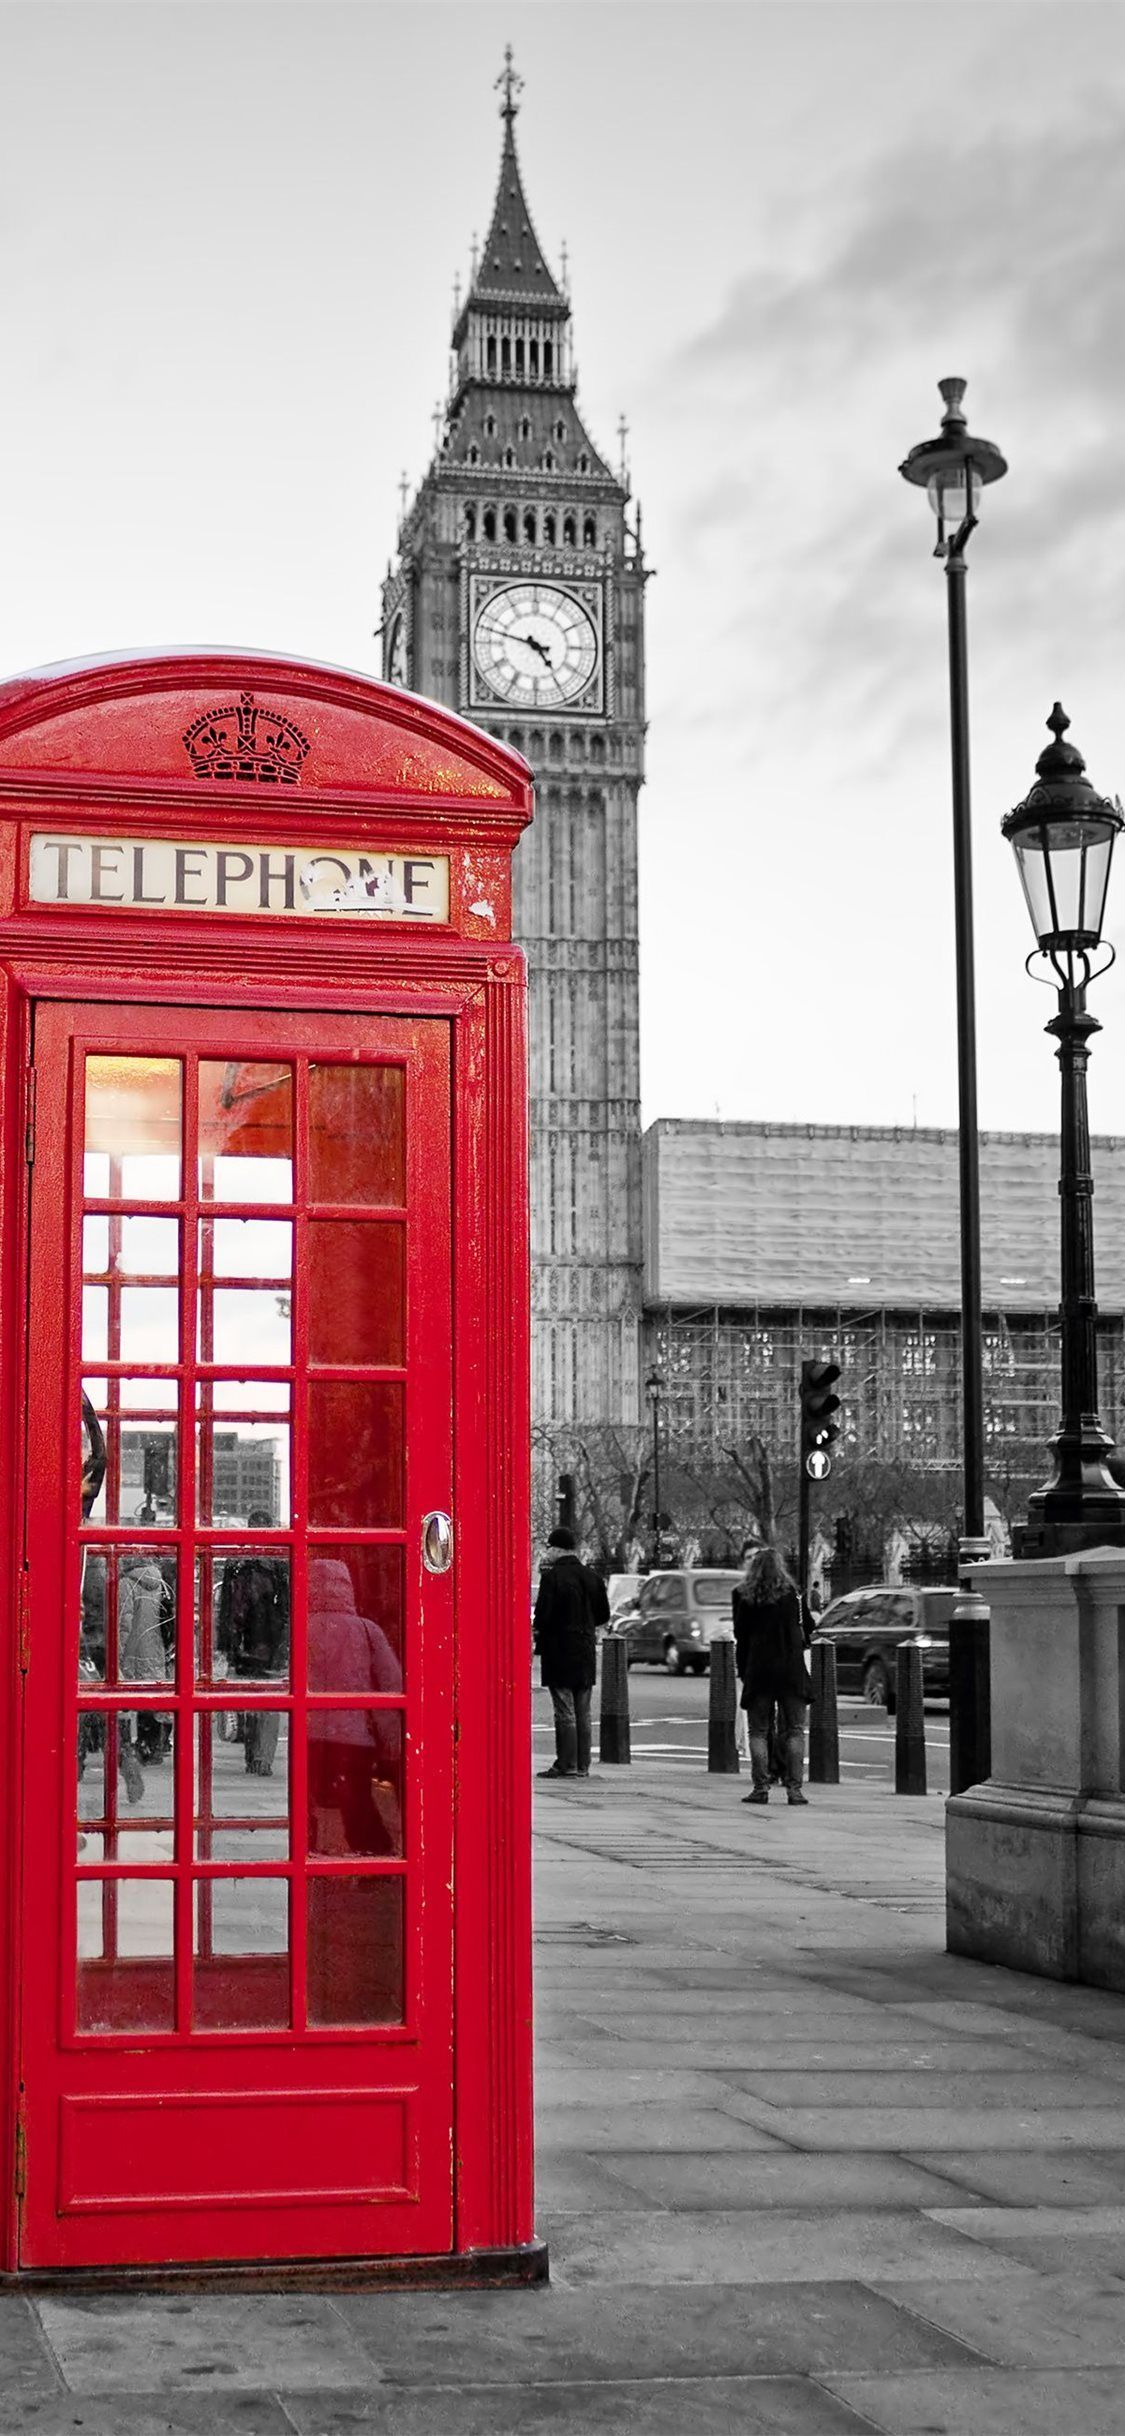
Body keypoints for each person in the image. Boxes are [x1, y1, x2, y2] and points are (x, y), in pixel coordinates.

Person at [733, 1543, 811, 1807]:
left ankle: (761, 1787)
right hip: (791, 1670)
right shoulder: (793, 1595)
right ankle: (795, 1790)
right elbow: (807, 1627)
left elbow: (740, 1635)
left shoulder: (744, 1596)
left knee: (758, 1730)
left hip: (759, 1669)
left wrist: (742, 1669)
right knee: (795, 1731)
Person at [216, 1512, 290, 1776]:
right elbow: (289, 1607)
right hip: (269, 1641)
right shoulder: (281, 1561)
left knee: (249, 1698)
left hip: (243, 1641)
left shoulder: (237, 1561)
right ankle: (261, 1758)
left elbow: (226, 1606)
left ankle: (254, 1757)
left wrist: (225, 1642)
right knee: (267, 1701)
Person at [533, 1526, 608, 1780]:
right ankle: (583, 1765)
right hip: (585, 1649)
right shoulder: (592, 1577)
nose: (548, 1552)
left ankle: (566, 1763)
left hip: (559, 1650)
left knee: (564, 1710)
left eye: (549, 1548)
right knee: (583, 1711)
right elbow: (603, 1615)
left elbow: (542, 1616)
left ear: (557, 1549)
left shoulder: (552, 1578)